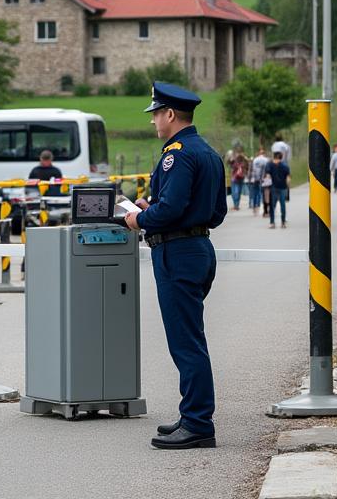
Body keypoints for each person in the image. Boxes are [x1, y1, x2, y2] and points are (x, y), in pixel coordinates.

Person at [122, 82, 225, 450]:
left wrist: (139, 218)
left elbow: (172, 209)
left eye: (155, 115)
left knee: (186, 343)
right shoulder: (208, 152)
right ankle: (191, 414)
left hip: (178, 253)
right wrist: (158, 207)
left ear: (169, 114)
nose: (153, 122)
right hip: (198, 248)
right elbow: (217, 212)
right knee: (190, 338)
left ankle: (198, 423)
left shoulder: (177, 154)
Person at [266, 151, 291, 229]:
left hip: (273, 188)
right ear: (281, 157)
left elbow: (267, 176)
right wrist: (287, 187)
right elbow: (288, 179)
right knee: (283, 206)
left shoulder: (269, 165)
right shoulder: (285, 166)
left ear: (274, 156)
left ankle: (272, 223)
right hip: (283, 188)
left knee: (272, 206)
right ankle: (283, 223)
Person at [248, 147, 268, 214]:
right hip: (263, 179)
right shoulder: (266, 160)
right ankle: (258, 206)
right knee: (260, 193)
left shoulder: (255, 160)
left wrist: (249, 178)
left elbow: (251, 170)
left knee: (255, 193)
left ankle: (254, 206)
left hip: (254, 179)